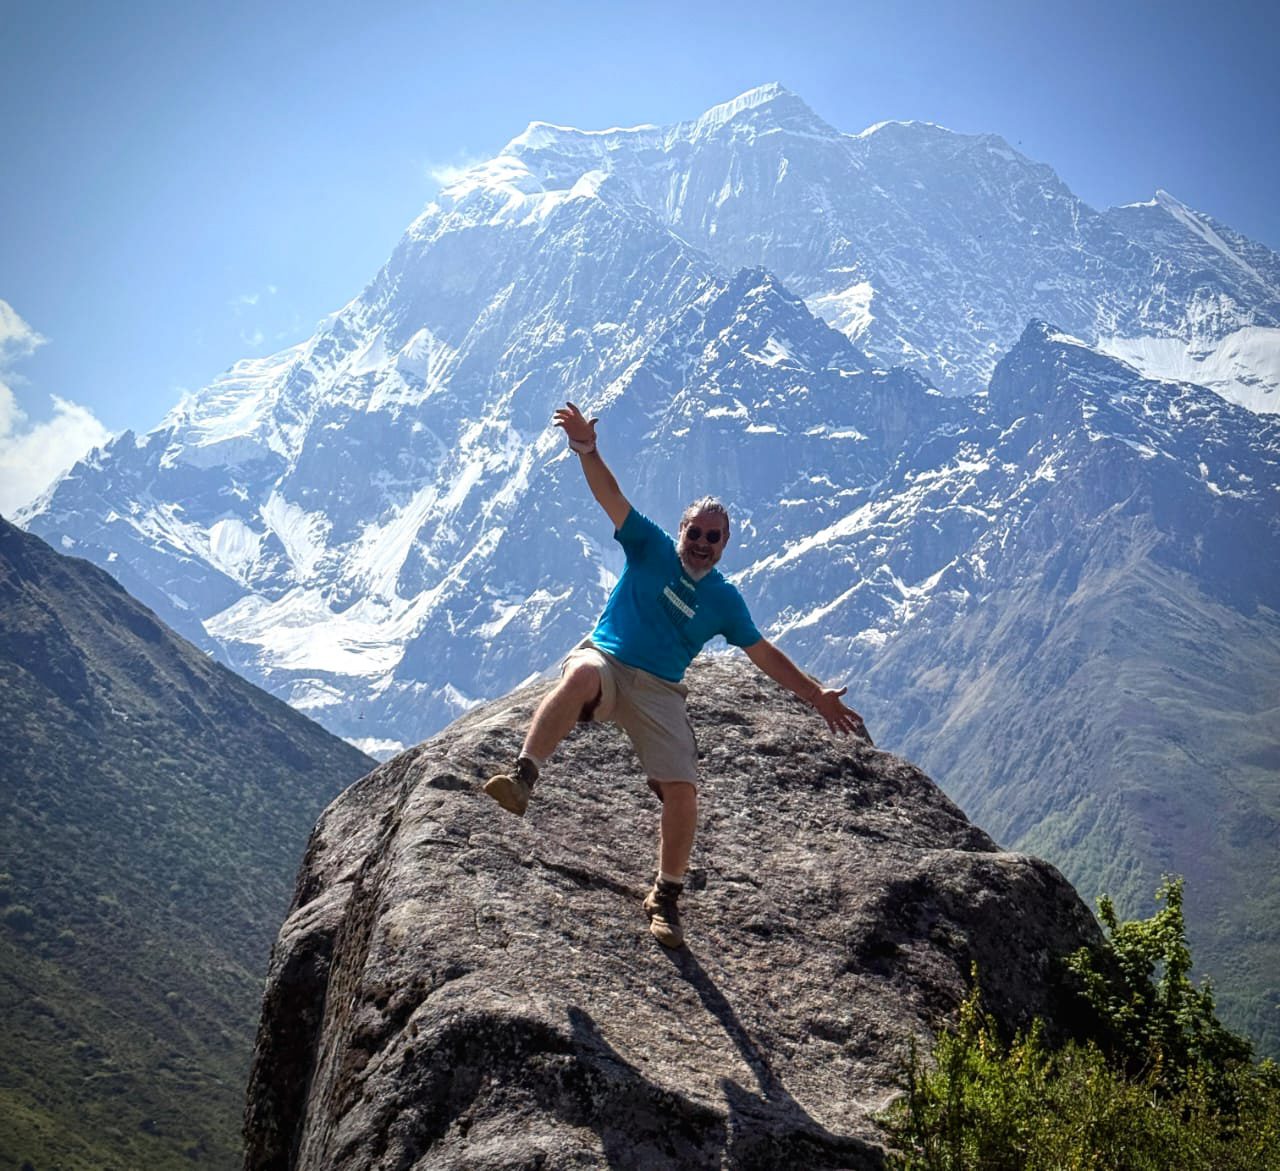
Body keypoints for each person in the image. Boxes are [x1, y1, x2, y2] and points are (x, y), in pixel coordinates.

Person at [484, 402, 871, 948]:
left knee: (683, 791)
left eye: (714, 538)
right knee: (578, 678)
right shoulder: (649, 546)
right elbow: (610, 496)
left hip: (660, 691)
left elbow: (762, 653)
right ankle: (523, 777)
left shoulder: (724, 600)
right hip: (607, 661)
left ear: (724, 546)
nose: (702, 544)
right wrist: (587, 449)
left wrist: (816, 696)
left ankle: (665, 896)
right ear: (681, 530)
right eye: (696, 532)